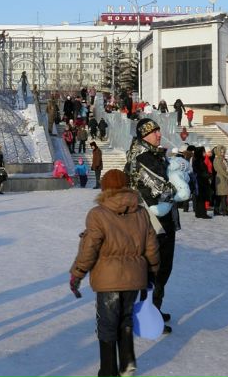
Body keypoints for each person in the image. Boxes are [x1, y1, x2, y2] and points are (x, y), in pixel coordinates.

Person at [69, 169, 160, 377]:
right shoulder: (141, 212)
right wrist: (152, 270)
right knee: (125, 318)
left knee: (107, 323)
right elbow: (152, 246)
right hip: (134, 277)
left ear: (104, 188)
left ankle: (108, 371)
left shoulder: (98, 214)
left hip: (108, 279)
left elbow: (89, 248)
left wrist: (78, 272)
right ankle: (127, 362)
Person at [125, 118, 179, 333]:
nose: (159, 135)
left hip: (161, 221)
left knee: (161, 268)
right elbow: (163, 188)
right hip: (152, 223)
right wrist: (179, 182)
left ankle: (152, 309)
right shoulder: (142, 157)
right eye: (154, 132)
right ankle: (147, 313)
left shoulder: (155, 155)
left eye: (159, 130)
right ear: (143, 135)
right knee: (154, 269)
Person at [192, 146, 212, 219]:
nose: (204, 153)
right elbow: (200, 172)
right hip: (201, 182)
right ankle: (203, 213)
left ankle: (199, 213)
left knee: (200, 199)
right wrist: (208, 175)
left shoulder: (198, 160)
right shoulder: (199, 161)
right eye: (203, 152)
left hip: (200, 181)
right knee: (202, 198)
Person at [212, 145, 228, 216]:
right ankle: (224, 211)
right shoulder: (217, 159)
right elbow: (220, 170)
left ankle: (217, 210)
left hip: (223, 178)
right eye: (221, 152)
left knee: (221, 195)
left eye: (223, 152)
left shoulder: (222, 159)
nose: (222, 153)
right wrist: (227, 176)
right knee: (222, 195)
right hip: (220, 177)